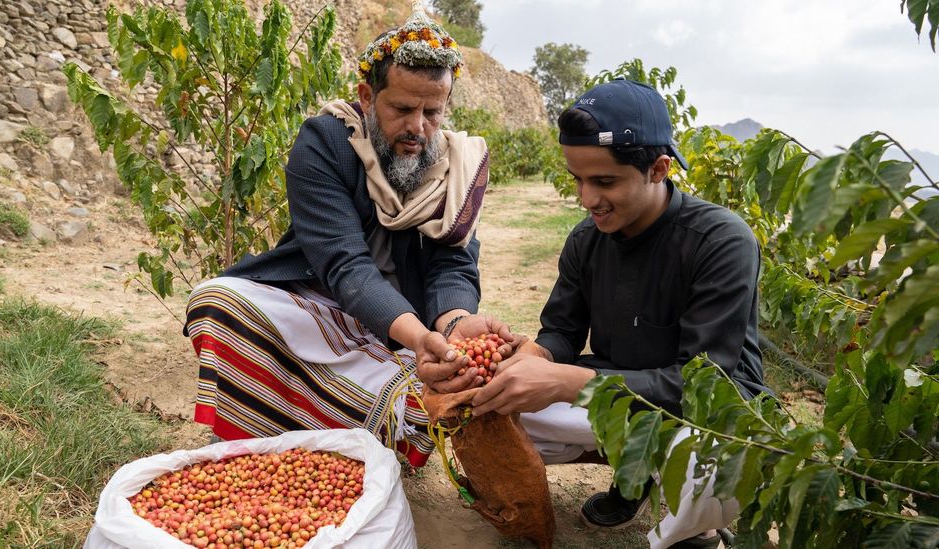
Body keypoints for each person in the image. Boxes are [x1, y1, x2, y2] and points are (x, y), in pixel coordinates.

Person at [184, 2, 510, 468]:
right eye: (401, 108)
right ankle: (280, 436)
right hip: (328, 307)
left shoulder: (455, 167)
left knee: (462, 381)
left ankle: (362, 435)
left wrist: (454, 325)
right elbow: (345, 265)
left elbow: (453, 263)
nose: (418, 127)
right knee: (220, 304)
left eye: (432, 112)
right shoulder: (324, 143)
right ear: (365, 96)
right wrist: (420, 340)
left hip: (405, 328)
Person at [461, 79, 771, 548]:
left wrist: (566, 382)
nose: (587, 199)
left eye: (604, 181)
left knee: (718, 453)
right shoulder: (586, 242)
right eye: (578, 180)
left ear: (658, 169)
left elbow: (702, 387)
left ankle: (696, 524)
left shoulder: (720, 242)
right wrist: (536, 357)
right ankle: (635, 472)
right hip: (615, 389)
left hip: (709, 409)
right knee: (487, 407)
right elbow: (562, 331)